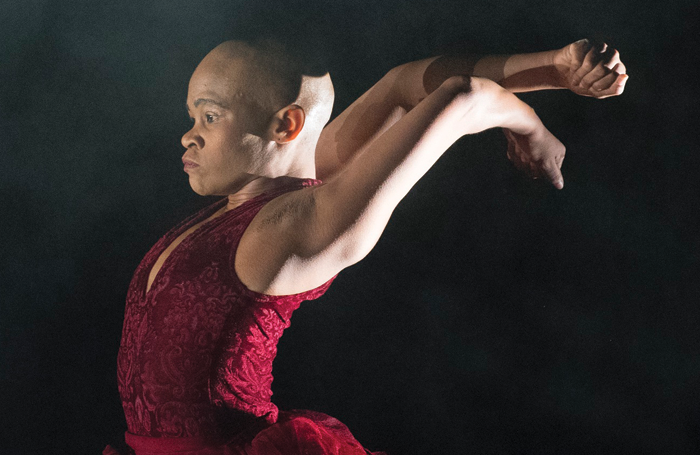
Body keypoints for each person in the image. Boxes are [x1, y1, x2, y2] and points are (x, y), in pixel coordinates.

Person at [105, 38, 627, 455]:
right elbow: (404, 85)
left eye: (209, 116)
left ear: (286, 124)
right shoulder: (262, 202)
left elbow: (463, 96)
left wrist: (532, 130)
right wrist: (555, 66)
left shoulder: (297, 225)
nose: (187, 136)